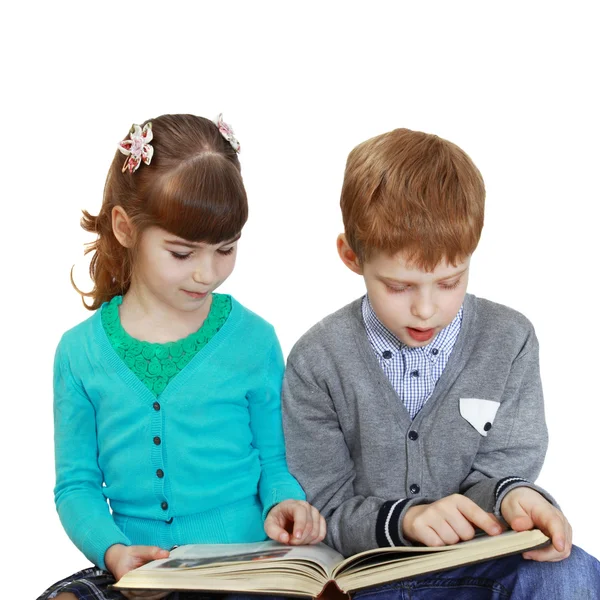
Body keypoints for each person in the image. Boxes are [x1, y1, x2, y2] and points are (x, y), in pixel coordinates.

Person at [282, 128, 600, 599]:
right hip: (367, 580)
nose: (426, 309)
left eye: (449, 281)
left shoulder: (509, 340)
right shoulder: (318, 358)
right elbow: (323, 502)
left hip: (476, 572)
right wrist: (406, 519)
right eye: (400, 286)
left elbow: (503, 467)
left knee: (570, 572)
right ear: (352, 256)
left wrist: (517, 498)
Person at [38, 114, 325, 600]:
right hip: (137, 569)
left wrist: (286, 503)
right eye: (181, 253)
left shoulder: (255, 340)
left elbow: (276, 463)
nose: (207, 273)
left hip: (244, 567)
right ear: (126, 228)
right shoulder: (78, 354)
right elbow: (76, 486)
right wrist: (113, 552)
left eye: (225, 249)